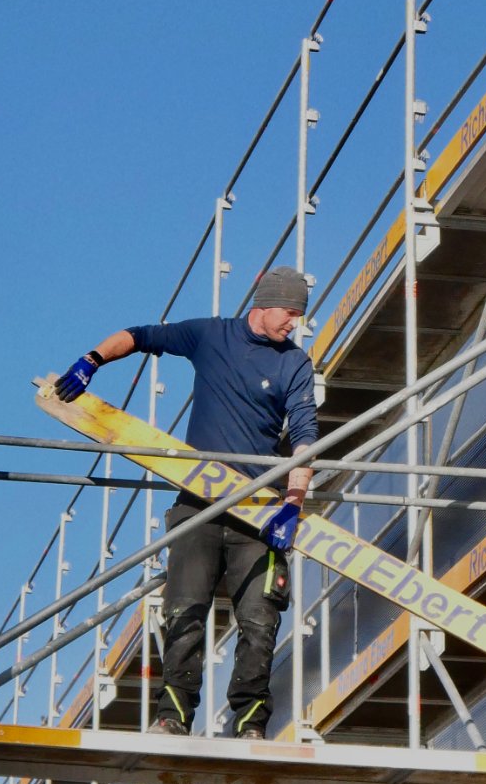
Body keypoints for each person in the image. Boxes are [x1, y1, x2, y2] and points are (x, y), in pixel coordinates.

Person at [54, 266, 317, 739]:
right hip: (199, 502)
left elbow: (304, 435)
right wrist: (91, 360)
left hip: (258, 509)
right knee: (184, 611)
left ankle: (251, 726)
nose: (294, 323)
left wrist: (293, 504)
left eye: (299, 315)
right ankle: (173, 717)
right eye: (290, 312)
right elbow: (140, 336)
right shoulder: (210, 336)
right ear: (264, 304)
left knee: (260, 620)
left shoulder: (294, 364)